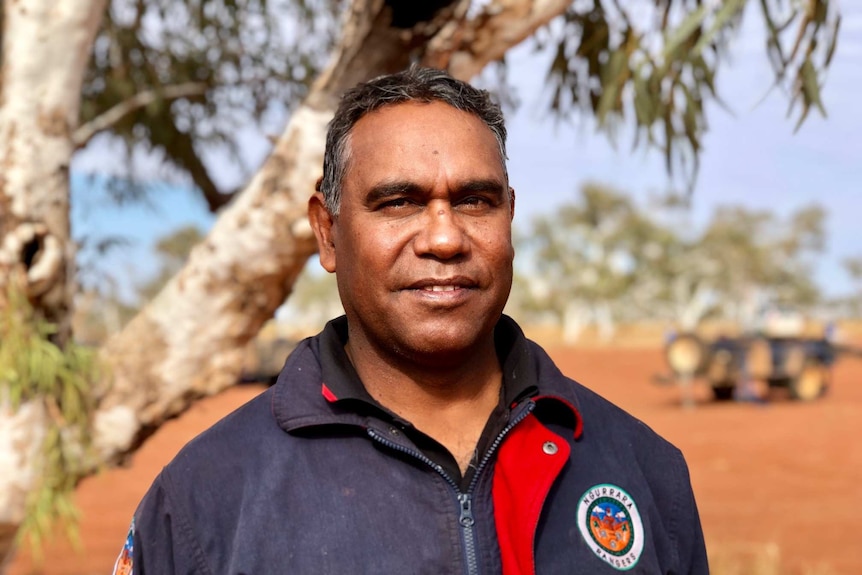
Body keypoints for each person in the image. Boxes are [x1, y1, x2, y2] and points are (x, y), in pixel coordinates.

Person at [115, 66, 708, 574]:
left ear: (509, 217)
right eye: (398, 203)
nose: (446, 238)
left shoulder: (643, 467)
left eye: (475, 200)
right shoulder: (208, 495)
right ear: (328, 232)